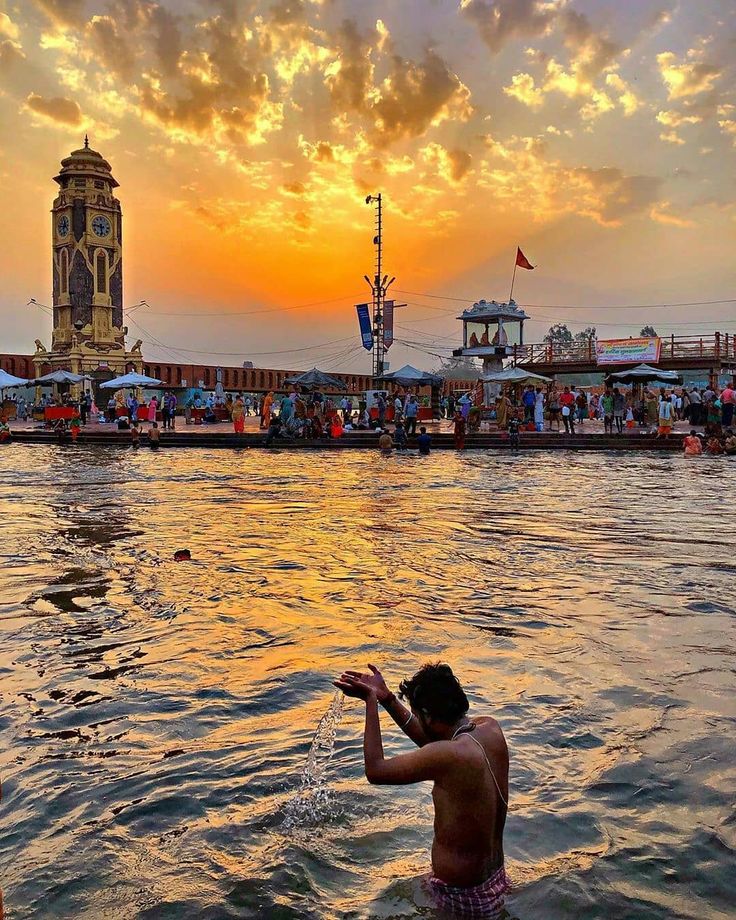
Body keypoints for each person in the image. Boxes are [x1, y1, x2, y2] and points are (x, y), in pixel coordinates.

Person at [334, 662, 509, 918]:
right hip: (494, 881)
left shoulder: (451, 755)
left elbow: (376, 770)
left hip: (461, 897)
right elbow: (433, 743)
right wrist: (388, 699)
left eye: (417, 715)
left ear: (428, 715)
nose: (416, 718)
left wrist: (370, 702)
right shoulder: (489, 729)